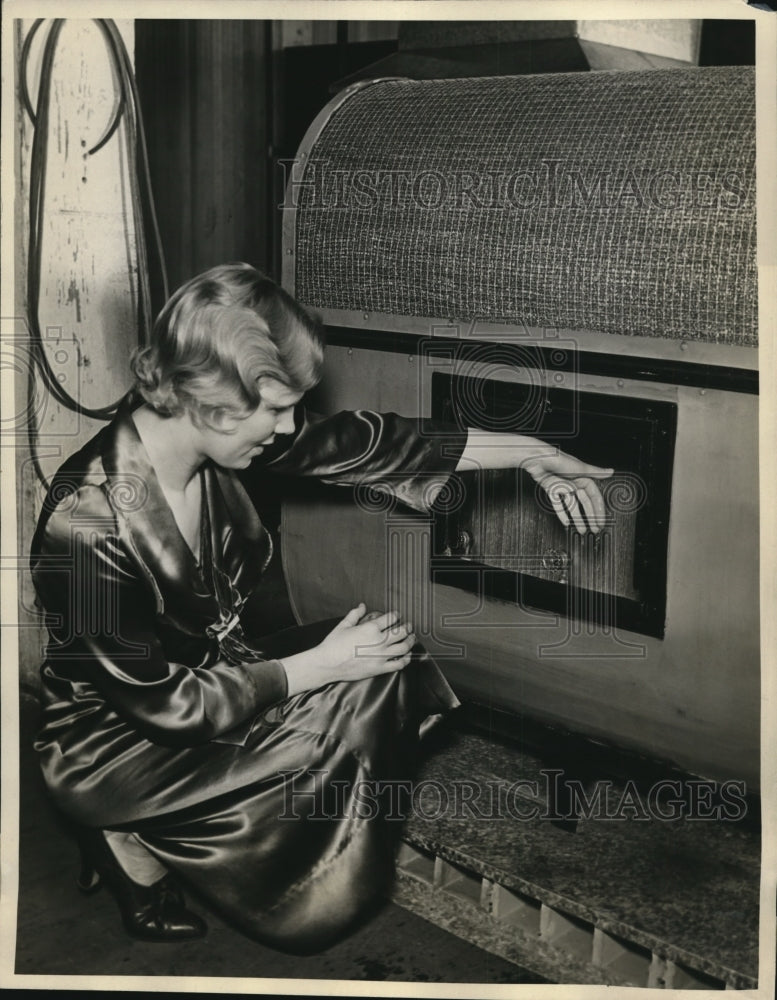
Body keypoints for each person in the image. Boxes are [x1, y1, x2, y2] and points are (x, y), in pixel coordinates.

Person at [30, 263, 612, 952]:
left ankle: (189, 826)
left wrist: (531, 453)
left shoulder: (214, 436)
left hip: (215, 676)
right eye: (276, 409)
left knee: (385, 667)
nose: (289, 427)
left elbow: (369, 443)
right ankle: (125, 830)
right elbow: (166, 704)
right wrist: (318, 666)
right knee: (346, 671)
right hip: (116, 738)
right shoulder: (87, 522)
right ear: (209, 402)